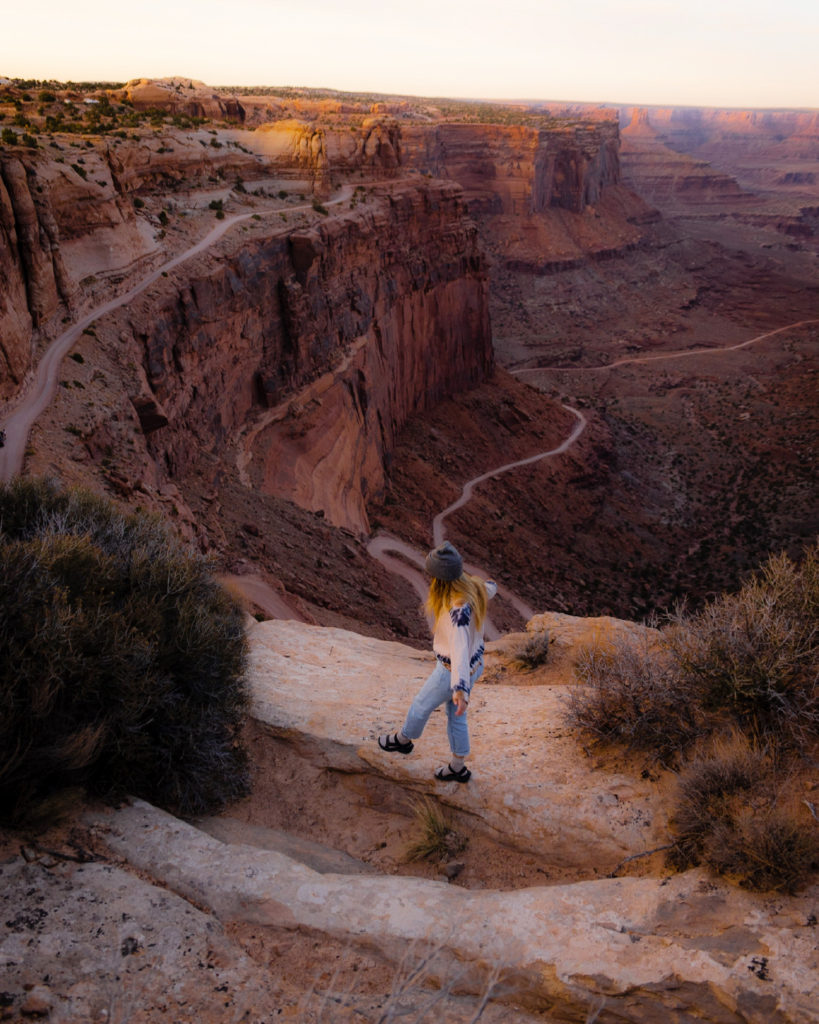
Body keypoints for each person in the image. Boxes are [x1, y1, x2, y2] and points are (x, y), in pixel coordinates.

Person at [378, 541, 497, 783]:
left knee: (421, 704)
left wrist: (459, 689)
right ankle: (458, 766)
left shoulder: (457, 611)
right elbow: (491, 588)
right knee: (456, 717)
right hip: (477, 665)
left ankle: (403, 740)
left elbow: (460, 651)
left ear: (441, 580)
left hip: (451, 671)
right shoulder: (474, 588)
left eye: (432, 575)